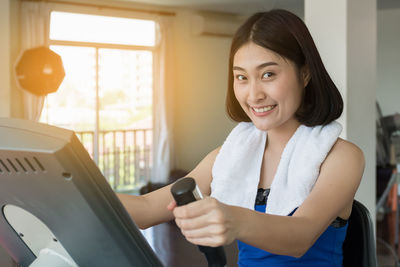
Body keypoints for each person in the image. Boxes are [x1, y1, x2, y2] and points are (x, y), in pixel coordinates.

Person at [118, 9, 364, 266]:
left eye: (268, 74)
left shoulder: (341, 157)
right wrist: (79, 198)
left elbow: (300, 236)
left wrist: (234, 219)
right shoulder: (228, 156)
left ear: (304, 74)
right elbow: (146, 209)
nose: (254, 94)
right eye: (242, 78)